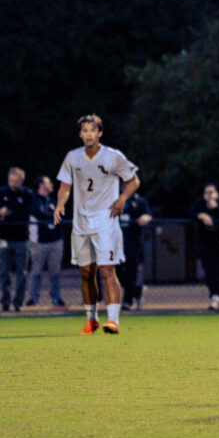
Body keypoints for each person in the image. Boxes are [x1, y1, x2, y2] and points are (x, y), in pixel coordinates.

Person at [54, 114, 140, 335]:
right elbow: (65, 186)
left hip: (106, 221)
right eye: (85, 130)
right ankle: (91, 318)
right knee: (86, 272)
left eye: (93, 130)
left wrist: (122, 199)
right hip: (80, 222)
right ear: (80, 134)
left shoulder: (113, 156)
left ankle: (113, 320)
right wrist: (60, 204)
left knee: (107, 270)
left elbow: (134, 181)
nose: (89, 134)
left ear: (100, 133)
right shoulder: (73, 157)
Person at [0, 167, 35, 312]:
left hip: (21, 239)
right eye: (11, 180)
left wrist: (8, 214)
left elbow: (26, 213)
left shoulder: (27, 194)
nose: (13, 183)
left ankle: (18, 302)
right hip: (4, 237)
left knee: (22, 272)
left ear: (22, 180)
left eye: (16, 181)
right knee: (4, 271)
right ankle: (5, 300)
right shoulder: (1, 192)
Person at [189, 183, 219, 311]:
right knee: (209, 268)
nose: (209, 195)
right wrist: (201, 215)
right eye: (207, 192)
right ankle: (214, 295)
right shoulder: (200, 203)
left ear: (216, 193)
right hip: (205, 242)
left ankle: (217, 294)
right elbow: (191, 213)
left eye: (212, 192)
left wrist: (215, 208)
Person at [26, 175, 66, 308]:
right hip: (39, 242)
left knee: (55, 272)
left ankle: (56, 297)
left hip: (55, 241)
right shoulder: (34, 200)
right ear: (41, 185)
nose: (51, 185)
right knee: (36, 271)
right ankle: (33, 298)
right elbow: (38, 214)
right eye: (48, 183)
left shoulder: (53, 201)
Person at [118, 187, 153, 311]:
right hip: (116, 241)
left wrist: (146, 218)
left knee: (131, 270)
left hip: (133, 241)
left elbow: (148, 215)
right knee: (115, 269)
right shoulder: (113, 198)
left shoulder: (140, 201)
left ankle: (127, 301)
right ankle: (136, 291)